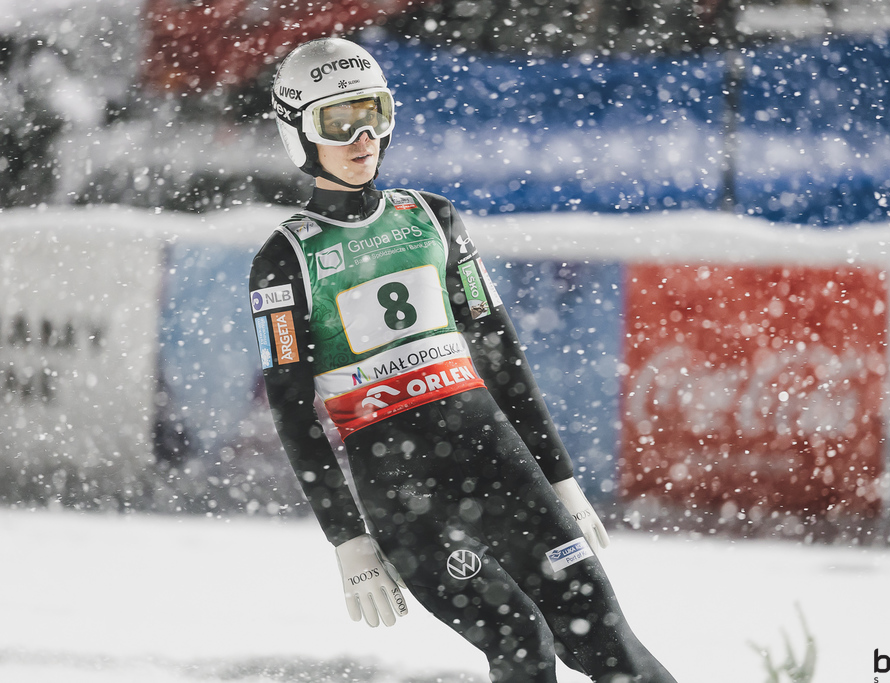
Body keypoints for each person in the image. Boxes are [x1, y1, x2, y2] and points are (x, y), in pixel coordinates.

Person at [249, 37, 677, 683]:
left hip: (500, 463)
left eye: (373, 113)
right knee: (522, 640)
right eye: (338, 121)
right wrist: (349, 537)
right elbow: (292, 412)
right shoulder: (285, 258)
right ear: (299, 133)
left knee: (607, 641)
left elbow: (502, 357)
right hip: (407, 493)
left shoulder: (433, 217)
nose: (363, 137)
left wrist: (558, 476)